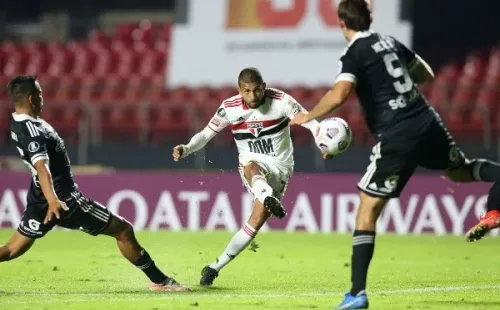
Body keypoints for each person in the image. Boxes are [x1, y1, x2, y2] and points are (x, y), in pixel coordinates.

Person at [290, 0, 500, 308]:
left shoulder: (353, 54)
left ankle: (357, 294)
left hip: (398, 133)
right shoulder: (389, 42)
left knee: (367, 208)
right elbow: (426, 74)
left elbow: (340, 93)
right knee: (460, 170)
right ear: (369, 18)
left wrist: (307, 117)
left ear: (341, 24)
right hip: (426, 120)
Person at [1, 75, 189, 292]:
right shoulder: (31, 131)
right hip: (63, 198)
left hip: (39, 197)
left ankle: (161, 281)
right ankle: (161, 282)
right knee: (123, 230)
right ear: (32, 99)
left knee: (11, 249)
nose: (43, 98)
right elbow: (42, 168)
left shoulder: (19, 121)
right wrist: (54, 200)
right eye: (40, 94)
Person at [172, 67, 325, 286]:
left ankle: (214, 266)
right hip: (251, 160)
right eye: (247, 91)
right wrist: (186, 148)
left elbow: (309, 121)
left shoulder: (281, 101)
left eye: (256, 90)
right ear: (239, 90)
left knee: (255, 222)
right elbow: (206, 134)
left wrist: (322, 143)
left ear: (264, 87)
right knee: (251, 165)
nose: (252, 96)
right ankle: (265, 194)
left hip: (281, 166)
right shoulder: (229, 108)